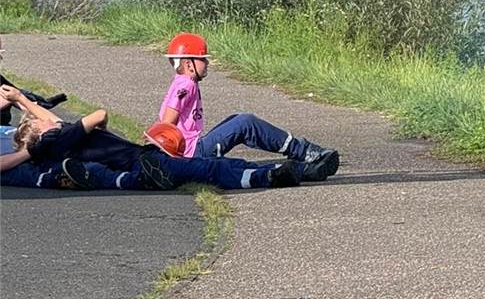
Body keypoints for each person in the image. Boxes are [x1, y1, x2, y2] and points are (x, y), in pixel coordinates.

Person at [11, 107, 324, 191]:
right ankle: (267, 177)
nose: (53, 121)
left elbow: (48, 124)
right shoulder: (60, 139)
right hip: (145, 162)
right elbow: (99, 114)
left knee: (226, 161)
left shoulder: (54, 147)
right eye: (45, 124)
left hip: (142, 161)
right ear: (42, 135)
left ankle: (287, 171)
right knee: (207, 169)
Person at [157, 33, 337, 175]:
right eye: (203, 59)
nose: (207, 62)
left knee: (236, 119)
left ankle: (300, 152)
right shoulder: (186, 85)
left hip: (192, 150)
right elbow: (167, 123)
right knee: (245, 122)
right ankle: (304, 152)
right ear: (189, 64)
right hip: (194, 153)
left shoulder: (180, 82)